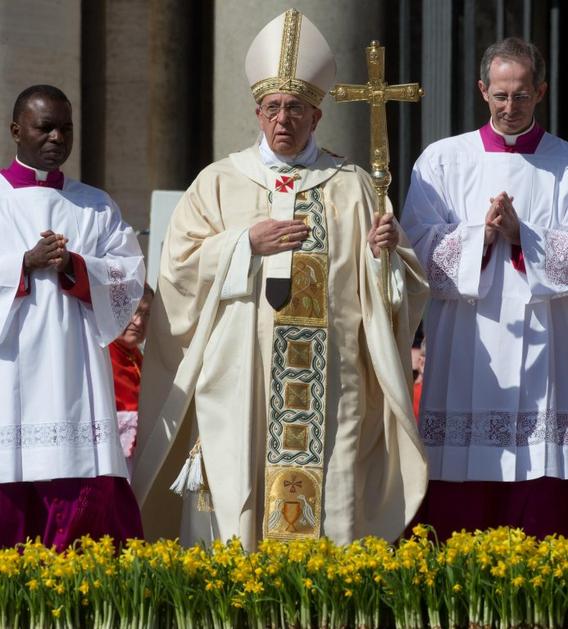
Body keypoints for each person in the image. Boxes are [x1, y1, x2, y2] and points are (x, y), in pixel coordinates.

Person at [133, 8, 429, 550]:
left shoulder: (354, 185)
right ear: (257, 112)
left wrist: (385, 257)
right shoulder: (218, 182)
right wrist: (244, 243)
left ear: (317, 117)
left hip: (330, 385)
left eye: (297, 108)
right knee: (236, 503)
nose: (283, 120)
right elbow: (176, 270)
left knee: (330, 506)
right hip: (240, 380)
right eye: (273, 108)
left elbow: (398, 290)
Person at [401, 37, 568, 539]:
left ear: (540, 91)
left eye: (520, 95)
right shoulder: (442, 161)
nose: (510, 106)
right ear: (482, 90)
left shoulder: (564, 161)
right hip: (465, 348)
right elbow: (414, 254)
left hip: (548, 355)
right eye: (500, 95)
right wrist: (483, 236)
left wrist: (524, 237)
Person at [0, 85, 145, 551]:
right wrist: (23, 262)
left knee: (83, 504)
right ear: (16, 130)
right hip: (11, 370)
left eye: (66, 127)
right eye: (45, 127)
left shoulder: (96, 204)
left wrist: (77, 267)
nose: (57, 137)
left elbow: (130, 275)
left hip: (77, 371)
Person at [109, 284, 154, 472]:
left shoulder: (139, 356)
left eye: (146, 314)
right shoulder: (102, 353)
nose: (139, 322)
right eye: (134, 312)